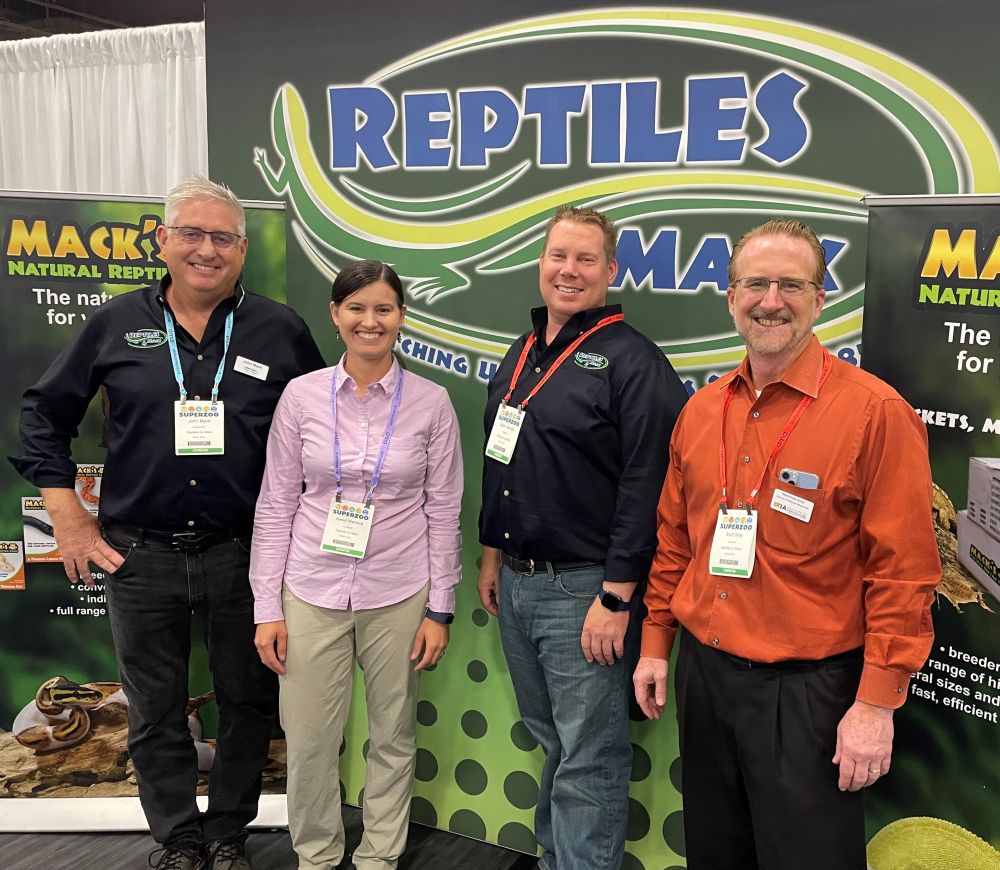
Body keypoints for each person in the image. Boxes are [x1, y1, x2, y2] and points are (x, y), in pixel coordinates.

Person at [11, 176, 326, 870]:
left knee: (248, 702)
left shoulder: (280, 329)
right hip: (138, 555)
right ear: (163, 241)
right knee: (155, 710)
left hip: (246, 555)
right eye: (192, 233)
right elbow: (42, 416)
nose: (206, 250)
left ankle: (228, 837)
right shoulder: (115, 322)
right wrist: (69, 519)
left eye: (222, 238)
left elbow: (323, 433)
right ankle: (179, 841)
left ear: (242, 250)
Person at [634, 218, 941, 869]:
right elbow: (674, 541)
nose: (771, 300)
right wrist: (657, 644)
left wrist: (876, 704)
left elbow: (904, 573)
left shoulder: (874, 414)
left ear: (821, 298)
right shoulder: (702, 410)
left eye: (791, 285)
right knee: (716, 855)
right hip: (706, 679)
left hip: (809, 696)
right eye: (755, 283)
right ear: (730, 295)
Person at [477, 206, 688, 870]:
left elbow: (647, 485)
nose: (568, 270)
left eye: (585, 259)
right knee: (556, 742)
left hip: (585, 590)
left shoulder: (634, 362)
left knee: (589, 755)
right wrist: (491, 552)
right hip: (515, 581)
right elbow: (501, 456)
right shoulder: (523, 351)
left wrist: (618, 596)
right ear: (541, 263)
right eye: (557, 256)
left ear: (611, 270)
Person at [250, 259, 462, 870]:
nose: (371, 322)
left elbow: (444, 508)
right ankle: (316, 855)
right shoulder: (301, 396)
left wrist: (439, 608)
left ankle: (379, 856)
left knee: (393, 734)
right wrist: (267, 606)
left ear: (401, 317)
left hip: (399, 591)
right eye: (357, 308)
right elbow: (275, 505)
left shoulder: (431, 403)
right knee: (312, 739)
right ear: (335, 314)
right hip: (310, 588)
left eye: (384, 309)